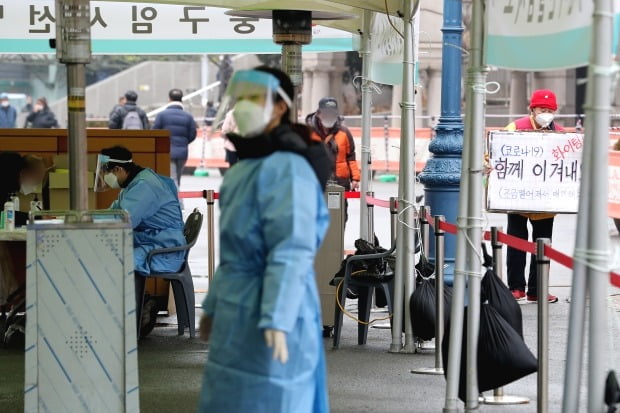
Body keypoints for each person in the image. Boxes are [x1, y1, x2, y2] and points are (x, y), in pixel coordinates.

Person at [198, 66, 330, 413]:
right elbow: (230, 254)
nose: (243, 106)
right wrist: (212, 307)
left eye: (253, 98)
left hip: (275, 308)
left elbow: (291, 250)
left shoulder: (289, 168)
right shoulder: (242, 169)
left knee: (274, 398)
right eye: (239, 98)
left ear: (280, 106)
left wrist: (277, 318)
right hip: (233, 310)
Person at [505, 89, 562, 303]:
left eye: (549, 110)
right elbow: (495, 152)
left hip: (546, 201)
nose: (545, 113)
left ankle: (537, 290)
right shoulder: (515, 128)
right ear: (532, 109)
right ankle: (516, 288)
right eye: (542, 109)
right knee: (516, 243)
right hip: (516, 198)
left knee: (543, 244)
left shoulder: (562, 134)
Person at [306, 96, 360, 222]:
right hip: (315, 183)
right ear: (318, 113)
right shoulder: (308, 133)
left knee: (339, 216)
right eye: (326, 113)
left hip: (339, 183)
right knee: (315, 216)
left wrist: (355, 178)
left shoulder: (344, 133)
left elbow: (351, 156)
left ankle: (337, 241)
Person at [152, 89, 197, 190]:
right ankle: (175, 202)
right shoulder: (188, 117)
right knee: (177, 179)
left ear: (169, 99)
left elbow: (155, 132)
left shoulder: (161, 115)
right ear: (181, 100)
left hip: (167, 152)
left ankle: (179, 204)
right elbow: (192, 134)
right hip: (183, 152)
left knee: (173, 179)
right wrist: (184, 142)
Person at [0, 152, 47, 226]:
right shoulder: (5, 181)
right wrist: (38, 218)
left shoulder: (9, 177)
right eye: (35, 181)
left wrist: (38, 218)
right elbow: (3, 214)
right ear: (24, 173)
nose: (34, 187)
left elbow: (6, 213)